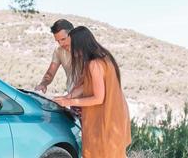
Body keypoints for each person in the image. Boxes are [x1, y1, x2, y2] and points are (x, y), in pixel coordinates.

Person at [54, 26, 131, 158]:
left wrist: (69, 101)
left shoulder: (94, 64)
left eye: (72, 45)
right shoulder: (105, 57)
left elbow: (98, 98)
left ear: (81, 45)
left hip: (104, 119)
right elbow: (86, 85)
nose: (71, 49)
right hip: (114, 116)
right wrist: (67, 96)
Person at [35, 19, 82, 98]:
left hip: (90, 99)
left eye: (63, 39)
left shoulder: (86, 48)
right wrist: (43, 84)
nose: (61, 44)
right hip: (72, 99)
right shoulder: (58, 51)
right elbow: (50, 73)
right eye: (58, 41)